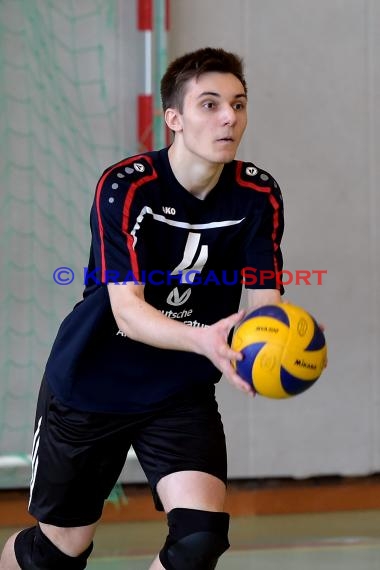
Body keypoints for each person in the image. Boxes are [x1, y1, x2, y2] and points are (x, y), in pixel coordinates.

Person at [0, 46, 284, 570]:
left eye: (239, 104)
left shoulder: (257, 194)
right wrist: (204, 339)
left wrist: (269, 347)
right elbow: (127, 312)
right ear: (173, 118)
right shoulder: (127, 187)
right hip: (93, 384)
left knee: (198, 540)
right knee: (56, 552)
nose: (229, 117)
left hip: (178, 391)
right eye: (210, 104)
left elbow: (266, 303)